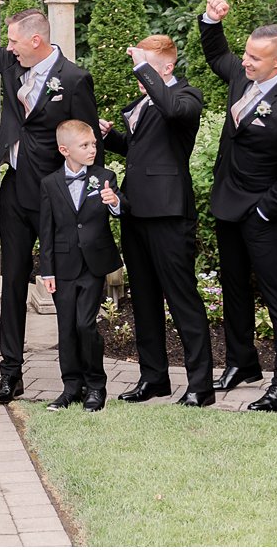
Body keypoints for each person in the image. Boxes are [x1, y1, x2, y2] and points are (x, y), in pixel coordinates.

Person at [0, 0, 99, 405]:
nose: (9, 46)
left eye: (15, 40)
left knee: (66, 285)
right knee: (12, 280)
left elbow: (91, 140)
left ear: (37, 41)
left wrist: (89, 195)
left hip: (56, 197)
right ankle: (10, 374)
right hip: (14, 191)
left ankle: (80, 379)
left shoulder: (73, 80)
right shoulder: (13, 65)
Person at [198, 0, 277, 413]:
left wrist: (268, 209)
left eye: (255, 58)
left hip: (263, 214)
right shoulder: (241, 78)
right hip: (227, 205)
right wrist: (211, 21)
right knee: (233, 289)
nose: (245, 62)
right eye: (246, 54)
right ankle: (241, 362)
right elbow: (217, 53)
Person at [98, 35, 215, 408]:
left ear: (166, 67)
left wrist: (141, 66)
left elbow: (170, 112)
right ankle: (154, 378)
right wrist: (111, 137)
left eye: (148, 66)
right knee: (144, 300)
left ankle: (201, 385)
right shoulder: (144, 103)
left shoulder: (186, 97)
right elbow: (142, 150)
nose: (140, 74)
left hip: (169, 214)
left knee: (182, 300)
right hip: (135, 211)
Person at [38, 120, 123, 413]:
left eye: (93, 145)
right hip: (62, 266)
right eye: (84, 145)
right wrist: (46, 270)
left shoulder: (105, 176)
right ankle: (71, 387)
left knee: (85, 324)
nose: (91, 149)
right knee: (66, 328)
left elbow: (120, 207)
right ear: (65, 150)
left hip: (93, 264)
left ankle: (96, 386)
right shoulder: (49, 183)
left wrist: (115, 202)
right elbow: (46, 230)